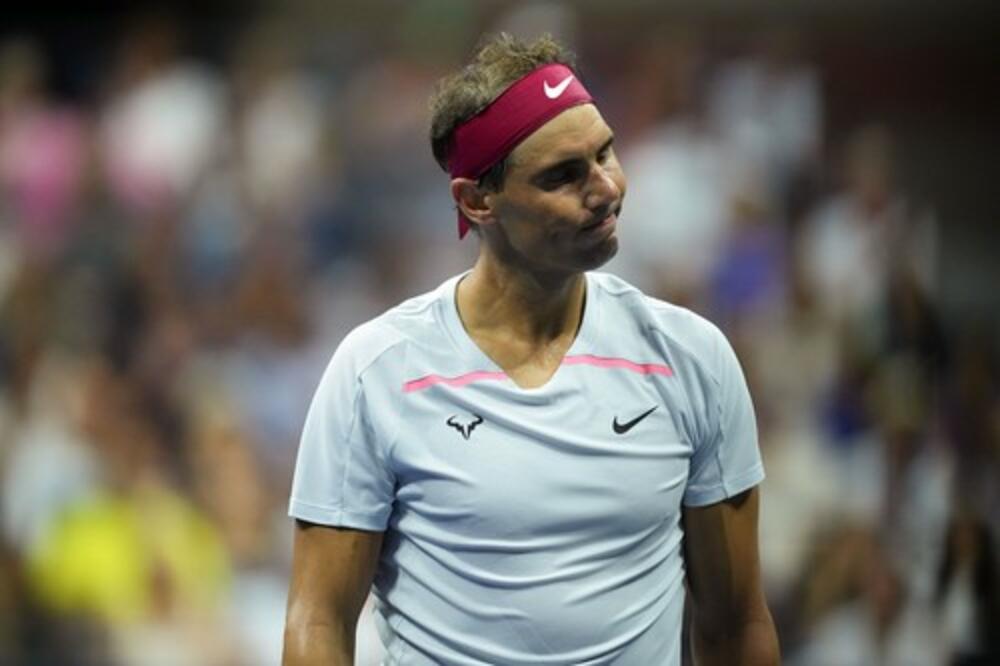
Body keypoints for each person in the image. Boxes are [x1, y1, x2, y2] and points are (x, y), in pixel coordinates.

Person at [283, 33, 779, 665]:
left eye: (605, 153)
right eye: (563, 176)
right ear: (476, 200)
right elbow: (318, 620)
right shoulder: (376, 373)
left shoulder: (693, 360)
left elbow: (736, 624)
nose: (606, 189)